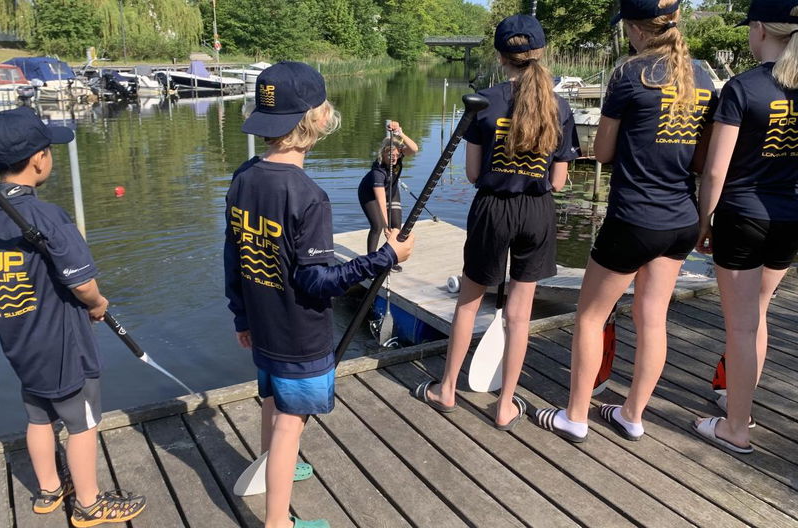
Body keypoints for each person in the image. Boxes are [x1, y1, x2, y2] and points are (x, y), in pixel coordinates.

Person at [224, 62, 414, 528]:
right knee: (291, 424)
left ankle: (276, 467)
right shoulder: (309, 196)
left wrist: (241, 317)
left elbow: (233, 256)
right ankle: (278, 522)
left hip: (263, 325)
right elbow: (317, 282)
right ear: (318, 119)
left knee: (274, 403)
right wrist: (384, 257)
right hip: (299, 336)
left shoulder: (244, 176)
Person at [534, 0, 718, 443]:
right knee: (652, 319)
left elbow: (602, 152)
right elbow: (701, 159)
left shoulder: (629, 74)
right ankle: (632, 415)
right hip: (681, 218)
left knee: (589, 317)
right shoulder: (702, 76)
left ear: (636, 29)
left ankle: (576, 416)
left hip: (634, 217)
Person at [0, 107, 146, 526]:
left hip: (20, 342)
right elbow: (83, 284)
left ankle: (49, 489)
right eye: (49, 150)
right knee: (82, 423)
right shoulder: (47, 217)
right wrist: (98, 305)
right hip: (63, 345)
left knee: (38, 415)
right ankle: (89, 504)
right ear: (39, 159)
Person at [412, 14, 578, 429]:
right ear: (541, 53)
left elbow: (472, 174)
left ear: (500, 56)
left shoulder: (482, 101)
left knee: (468, 304)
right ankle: (505, 406)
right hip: (537, 210)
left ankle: (447, 389)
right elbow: (558, 181)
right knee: (518, 316)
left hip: (492, 208)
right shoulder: (559, 106)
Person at [694, 0, 798, 454]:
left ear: (760, 29)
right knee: (758, 314)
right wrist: (791, 192)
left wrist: (704, 221)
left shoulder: (743, 88)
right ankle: (739, 403)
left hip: (744, 216)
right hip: (793, 216)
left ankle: (735, 428)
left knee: (741, 326)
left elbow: (715, 171)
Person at [357, 121, 419, 270]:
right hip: (370, 195)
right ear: (383, 153)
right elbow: (381, 201)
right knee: (378, 226)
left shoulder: (398, 156)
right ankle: (371, 262)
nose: (394, 158)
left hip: (391, 191)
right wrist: (385, 227)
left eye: (396, 155)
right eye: (390, 154)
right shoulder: (377, 173)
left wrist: (400, 133)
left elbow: (414, 149)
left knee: (396, 226)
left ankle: (390, 258)